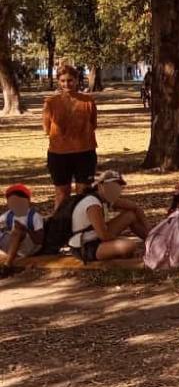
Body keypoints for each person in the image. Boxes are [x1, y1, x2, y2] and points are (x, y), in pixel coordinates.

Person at [43, 64, 99, 212]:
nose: (66, 84)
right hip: (58, 154)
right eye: (62, 81)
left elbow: (93, 124)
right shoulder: (51, 103)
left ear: (77, 80)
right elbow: (46, 129)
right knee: (62, 194)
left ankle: (83, 228)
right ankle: (58, 229)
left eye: (70, 80)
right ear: (58, 82)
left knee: (84, 194)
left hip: (85, 152)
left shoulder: (88, 101)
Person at [69, 171, 151, 262]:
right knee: (129, 245)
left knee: (130, 215)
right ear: (100, 186)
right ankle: (120, 252)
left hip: (98, 237)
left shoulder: (107, 198)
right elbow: (103, 236)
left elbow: (135, 208)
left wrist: (150, 231)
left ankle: (152, 240)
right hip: (85, 246)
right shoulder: (92, 203)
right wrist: (120, 241)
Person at [0, 184, 44, 270]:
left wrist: (26, 230)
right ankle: (11, 254)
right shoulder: (8, 215)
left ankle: (7, 265)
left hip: (29, 248)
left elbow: (39, 240)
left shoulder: (34, 216)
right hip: (12, 247)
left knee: (17, 231)